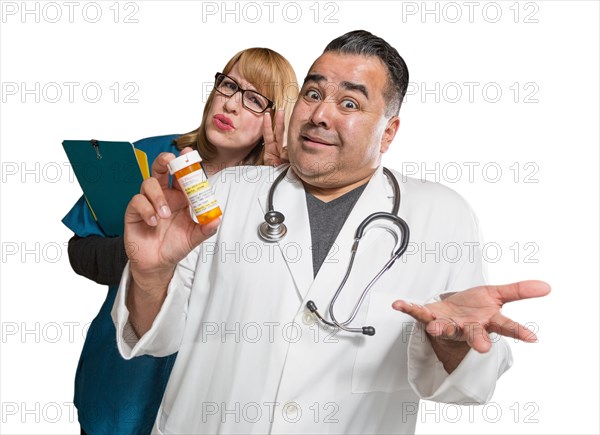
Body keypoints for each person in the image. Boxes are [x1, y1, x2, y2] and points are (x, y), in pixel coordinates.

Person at [113, 30, 550, 434]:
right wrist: (150, 275)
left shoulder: (441, 215)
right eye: (313, 93)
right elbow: (156, 338)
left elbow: (470, 386)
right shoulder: (223, 195)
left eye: (350, 104)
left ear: (388, 132)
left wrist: (454, 345)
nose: (320, 114)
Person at [62, 47, 298, 434]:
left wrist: (281, 190)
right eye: (229, 85)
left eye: (255, 99)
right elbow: (79, 251)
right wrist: (146, 257)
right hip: (122, 378)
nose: (232, 104)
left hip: (207, 391)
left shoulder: (277, 195)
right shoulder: (149, 156)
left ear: (276, 120)